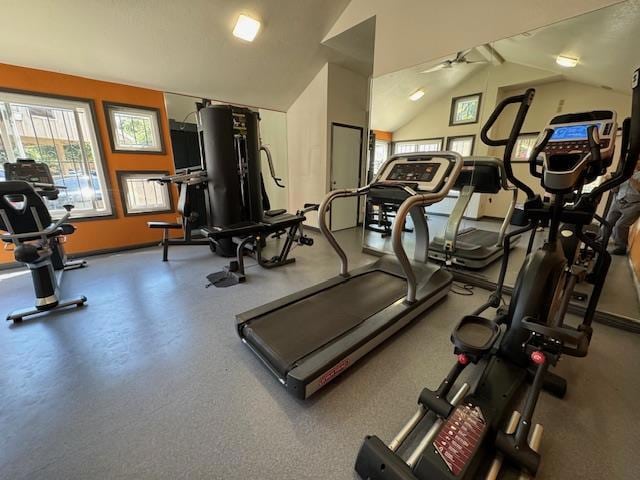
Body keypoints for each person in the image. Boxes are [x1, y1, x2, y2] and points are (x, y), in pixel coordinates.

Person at [604, 160, 640, 255]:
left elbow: (639, 188)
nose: (637, 162)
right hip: (618, 200)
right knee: (608, 222)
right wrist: (610, 182)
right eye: (637, 160)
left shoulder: (631, 174)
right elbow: (615, 190)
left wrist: (630, 176)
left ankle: (621, 247)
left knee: (621, 225)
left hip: (634, 204)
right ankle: (601, 241)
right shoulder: (623, 172)